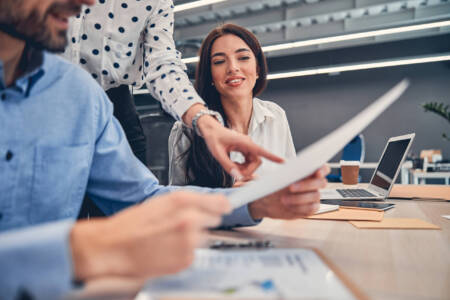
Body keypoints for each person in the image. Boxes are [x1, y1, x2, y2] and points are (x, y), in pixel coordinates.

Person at [0, 0, 329, 299]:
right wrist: (79, 250)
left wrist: (254, 201)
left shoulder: (81, 97)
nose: (88, 4)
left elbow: (143, 199)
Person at [63, 0, 279, 181]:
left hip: (112, 102)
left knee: (129, 210)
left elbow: (162, 64)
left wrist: (205, 123)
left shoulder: (155, 2)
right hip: (46, 96)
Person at [169, 24, 296, 188]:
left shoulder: (275, 115)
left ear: (257, 69)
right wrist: (229, 199)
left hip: (272, 214)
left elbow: (290, 180)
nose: (233, 68)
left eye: (243, 58)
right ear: (211, 76)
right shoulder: (187, 129)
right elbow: (178, 202)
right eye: (219, 61)